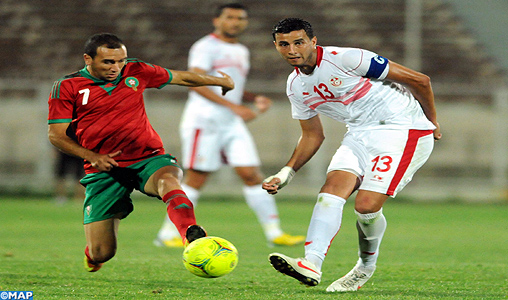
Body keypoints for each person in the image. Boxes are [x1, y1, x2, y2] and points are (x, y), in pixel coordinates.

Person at [263, 18, 441, 292]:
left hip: (403, 129)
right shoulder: (296, 86)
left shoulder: (347, 58)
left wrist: (432, 121)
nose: (292, 49)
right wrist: (288, 171)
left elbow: (419, 80)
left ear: (313, 41)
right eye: (283, 44)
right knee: (331, 191)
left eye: (298, 42)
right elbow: (312, 135)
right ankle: (311, 263)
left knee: (366, 206)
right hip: (358, 133)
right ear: (276, 46)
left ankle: (364, 267)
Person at [47, 33, 234, 272]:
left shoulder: (136, 70)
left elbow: (181, 78)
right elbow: (56, 135)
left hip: (147, 156)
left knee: (169, 180)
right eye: (108, 62)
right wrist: (92, 156)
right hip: (103, 167)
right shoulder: (67, 86)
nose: (116, 67)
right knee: (103, 252)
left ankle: (191, 235)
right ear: (88, 59)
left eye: (120, 61)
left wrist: (219, 81)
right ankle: (92, 253)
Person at [154, 3, 305, 248]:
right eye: (230, 17)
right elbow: (196, 81)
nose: (235, 22)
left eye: (240, 18)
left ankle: (274, 232)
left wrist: (250, 98)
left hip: (230, 122)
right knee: (197, 177)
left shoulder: (242, 50)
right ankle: (168, 234)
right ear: (217, 20)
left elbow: (228, 84)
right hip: (204, 121)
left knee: (252, 175)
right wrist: (232, 107)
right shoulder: (206, 46)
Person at [53, 126, 85, 204]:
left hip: (79, 149)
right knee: (61, 174)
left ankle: (78, 197)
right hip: (64, 149)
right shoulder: (64, 119)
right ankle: (60, 196)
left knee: (79, 175)